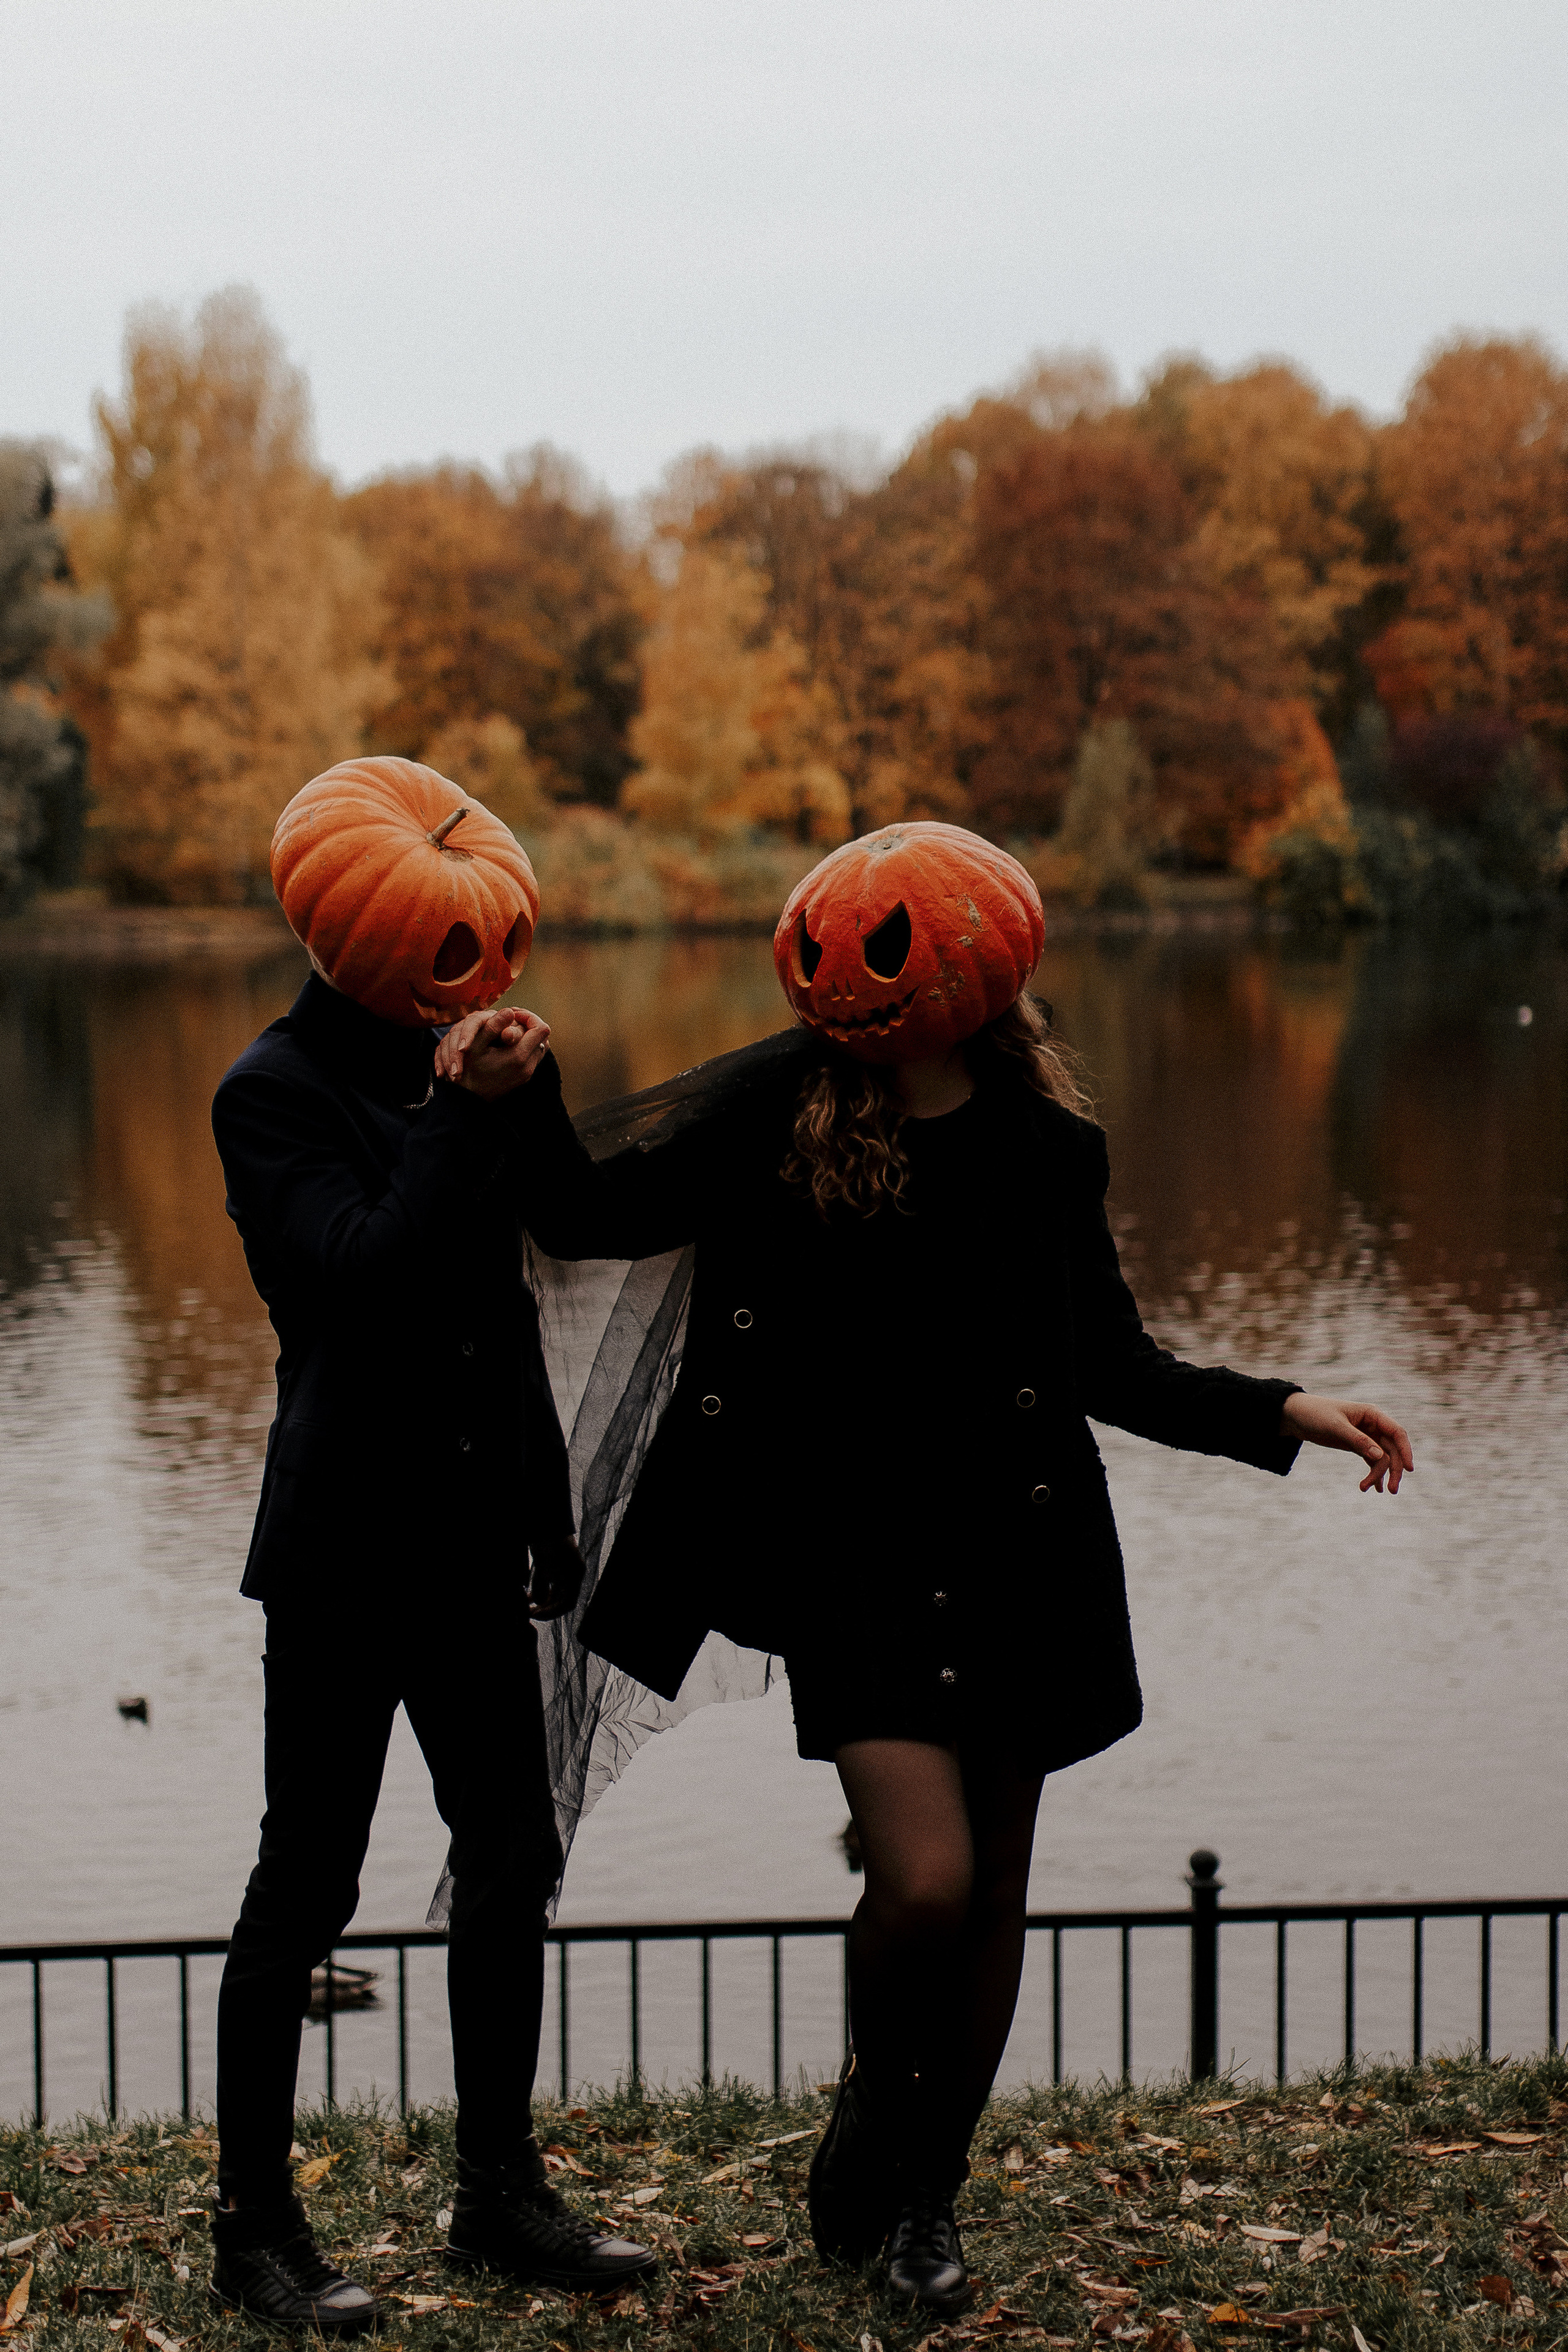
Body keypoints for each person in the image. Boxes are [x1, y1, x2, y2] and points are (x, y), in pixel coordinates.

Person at [438, 820, 1414, 2320]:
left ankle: (922, 2194)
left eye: (884, 951)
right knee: (923, 1883)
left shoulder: (1047, 1150)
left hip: (1024, 1554)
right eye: (827, 950)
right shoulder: (773, 1109)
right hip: (852, 1562)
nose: (844, 981)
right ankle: (874, 2101)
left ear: (977, 968)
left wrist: (1282, 1410)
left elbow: (1109, 1364)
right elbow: (583, 1217)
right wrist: (524, 1095)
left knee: (990, 1895)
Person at [207, 757, 655, 2331]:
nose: (474, 974)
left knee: (511, 1861)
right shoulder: (271, 1093)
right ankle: (254, 2231)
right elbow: (372, 1277)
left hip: (475, 1541)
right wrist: (464, 1110)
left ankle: (496, 2195)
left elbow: (561, 1243)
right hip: (344, 1553)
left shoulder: (479, 1073)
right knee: (305, 1886)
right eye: (446, 946)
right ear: (352, 933)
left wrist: (545, 1510)